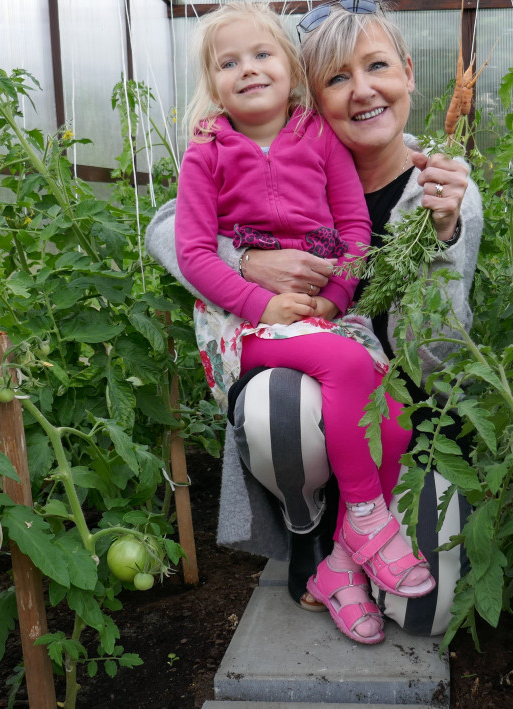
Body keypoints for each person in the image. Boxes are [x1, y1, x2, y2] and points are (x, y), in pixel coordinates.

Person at [147, 0, 483, 639]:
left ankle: (345, 550)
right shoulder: (238, 144)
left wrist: (441, 238)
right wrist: (249, 263)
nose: (362, 91)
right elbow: (171, 228)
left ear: (408, 73)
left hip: (408, 411)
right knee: (284, 402)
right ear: (313, 93)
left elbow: (436, 354)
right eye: (337, 77)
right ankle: (315, 523)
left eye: (378, 66)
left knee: (421, 615)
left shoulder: (441, 187)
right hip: (291, 367)